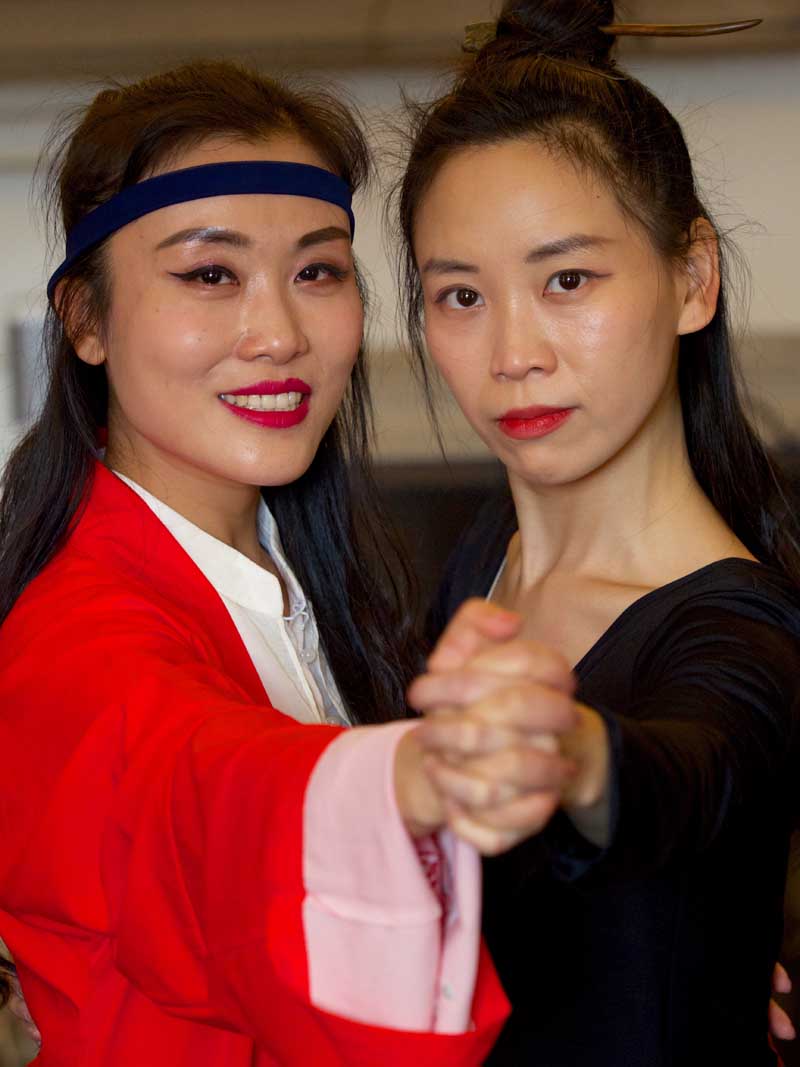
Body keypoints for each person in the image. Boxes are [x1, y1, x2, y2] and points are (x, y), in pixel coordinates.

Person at [0, 60, 580, 1066]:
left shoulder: (300, 576)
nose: (278, 334)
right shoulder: (72, 637)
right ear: (85, 321)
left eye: (316, 271)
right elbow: (198, 789)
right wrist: (412, 773)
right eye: (208, 274)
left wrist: (647, 967)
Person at [395, 2, 800, 1064]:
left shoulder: (739, 627)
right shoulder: (492, 552)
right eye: (460, 294)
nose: (511, 350)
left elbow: (685, 768)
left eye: (566, 279)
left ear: (690, 278)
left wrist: (571, 752)